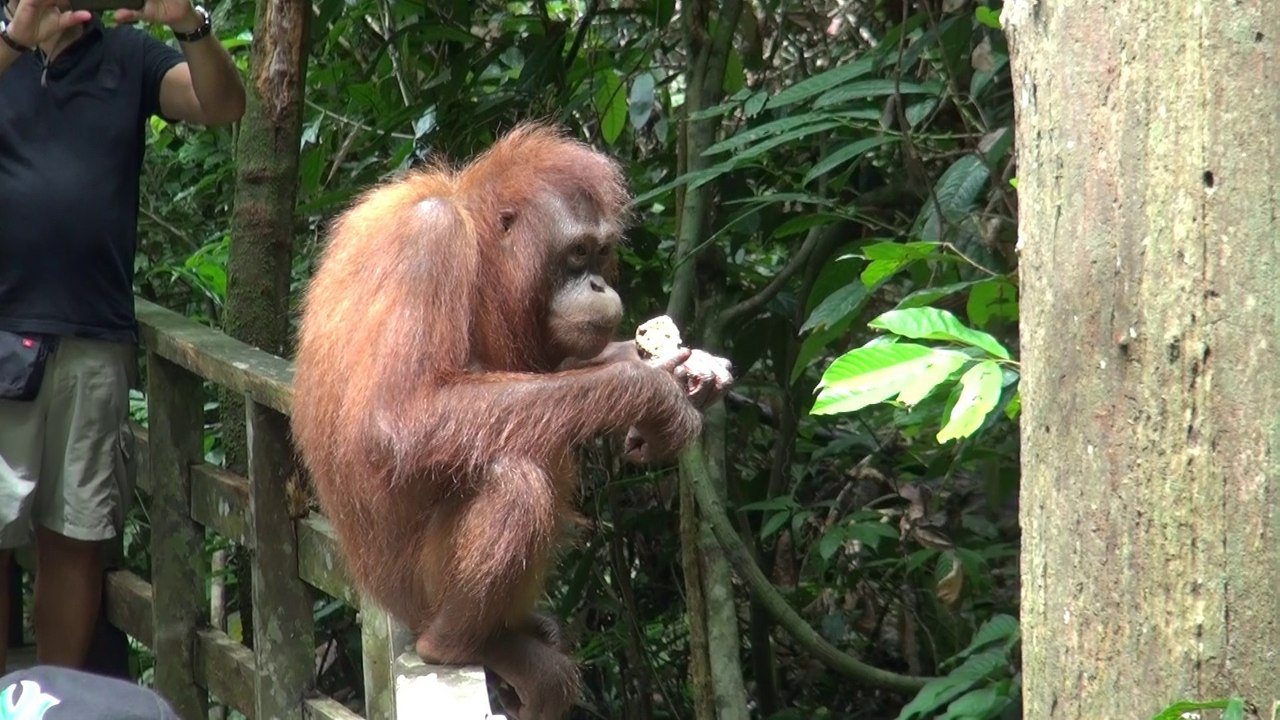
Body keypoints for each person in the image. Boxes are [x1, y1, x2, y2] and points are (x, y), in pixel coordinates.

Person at [0, 0, 245, 674]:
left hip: (91, 335)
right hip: (2, 330)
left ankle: (56, 703)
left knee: (75, 536)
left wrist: (187, 22)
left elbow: (222, 106)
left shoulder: (128, 58)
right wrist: (18, 39)